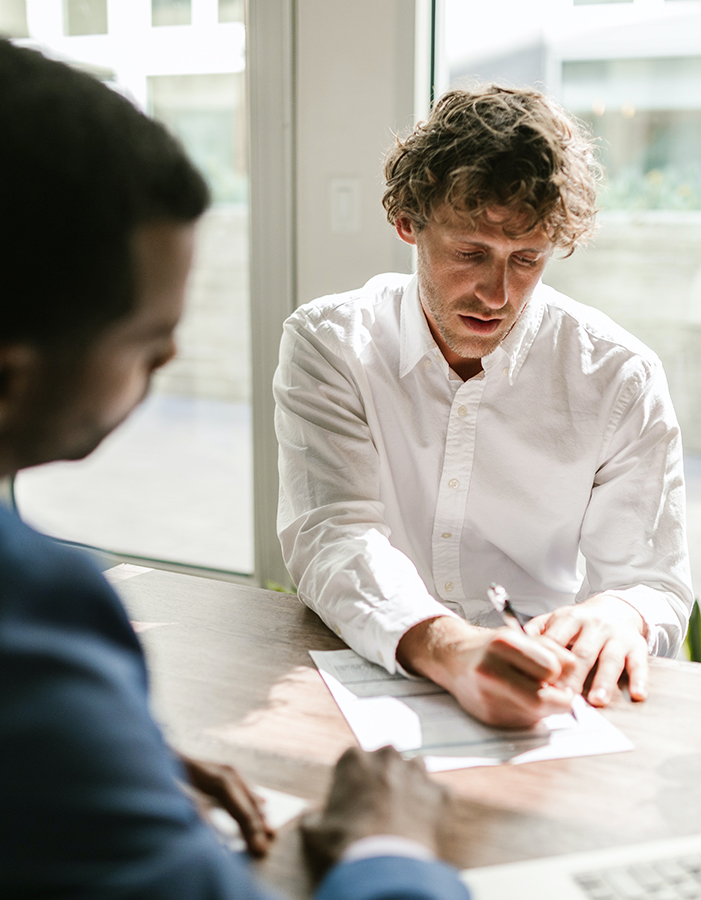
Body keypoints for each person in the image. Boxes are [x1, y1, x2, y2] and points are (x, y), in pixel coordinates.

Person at [0, 39, 467, 900]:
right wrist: (390, 850)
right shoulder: (29, 614)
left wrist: (98, 769)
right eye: (147, 339)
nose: (174, 355)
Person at [275, 84, 693, 729]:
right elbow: (333, 533)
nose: (498, 293)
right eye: (470, 253)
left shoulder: (619, 377)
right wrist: (450, 646)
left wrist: (620, 613)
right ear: (408, 223)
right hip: (367, 666)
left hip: (544, 687)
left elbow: (653, 583)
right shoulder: (332, 344)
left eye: (526, 260)